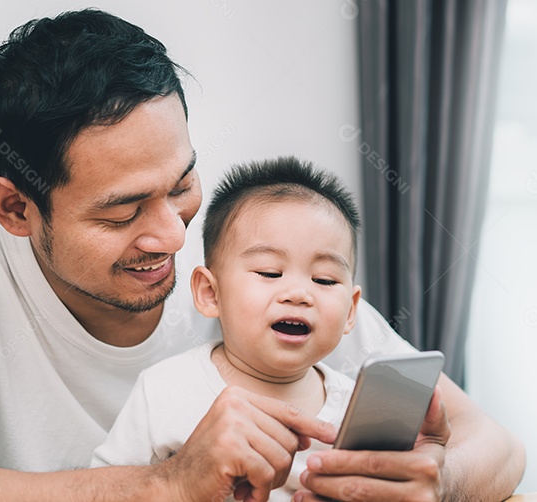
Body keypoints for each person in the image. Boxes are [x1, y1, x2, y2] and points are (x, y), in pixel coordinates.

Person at [0, 8, 524, 502]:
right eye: (122, 212)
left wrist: (437, 482)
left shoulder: (263, 272)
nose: (172, 237)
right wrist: (162, 483)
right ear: (15, 209)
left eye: (182, 185)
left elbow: (495, 444)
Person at [92, 157, 372, 501]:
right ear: (211, 294)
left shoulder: (359, 411)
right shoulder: (166, 389)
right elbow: (108, 487)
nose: (299, 294)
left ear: (350, 311)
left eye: (324, 279)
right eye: (270, 273)